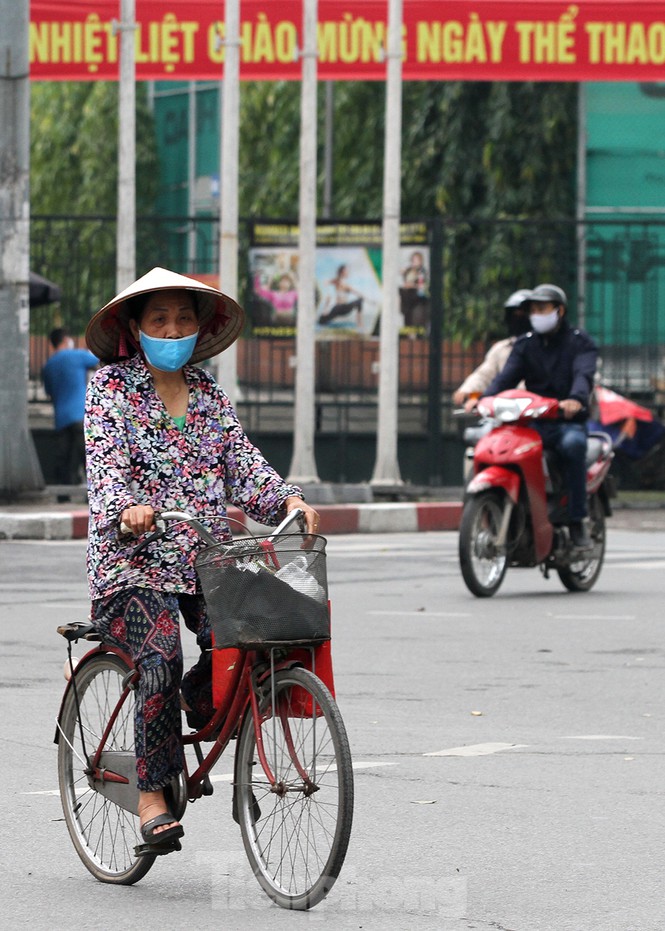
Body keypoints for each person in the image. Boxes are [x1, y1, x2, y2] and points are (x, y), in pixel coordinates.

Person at [83, 267, 320, 853]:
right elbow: (105, 468)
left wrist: (287, 498)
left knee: (253, 641)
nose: (173, 328)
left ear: (200, 326)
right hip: (130, 567)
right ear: (135, 329)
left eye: (184, 317)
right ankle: (150, 797)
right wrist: (128, 508)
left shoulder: (210, 393)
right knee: (161, 654)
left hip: (206, 562)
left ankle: (191, 699)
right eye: (159, 318)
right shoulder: (110, 389)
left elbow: (241, 463)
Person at [483, 283, 598, 550]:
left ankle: (577, 519)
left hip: (566, 422)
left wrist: (575, 400)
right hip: (532, 422)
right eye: (532, 309)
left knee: (573, 445)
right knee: (499, 446)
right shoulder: (525, 345)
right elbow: (505, 378)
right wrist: (486, 399)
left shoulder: (580, 343)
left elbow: (584, 376)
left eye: (542, 308)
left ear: (560, 311)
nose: (536, 314)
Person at [453, 289, 531, 410]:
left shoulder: (544, 348)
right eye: (515, 315)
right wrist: (469, 390)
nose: (519, 318)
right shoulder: (502, 348)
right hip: (504, 410)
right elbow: (486, 375)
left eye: (523, 314)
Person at [42, 327, 98, 493]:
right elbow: (98, 362)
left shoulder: (48, 365)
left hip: (61, 418)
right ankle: (91, 495)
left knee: (63, 459)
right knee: (87, 457)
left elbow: (49, 392)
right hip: (80, 415)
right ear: (66, 340)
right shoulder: (77, 355)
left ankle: (62, 495)